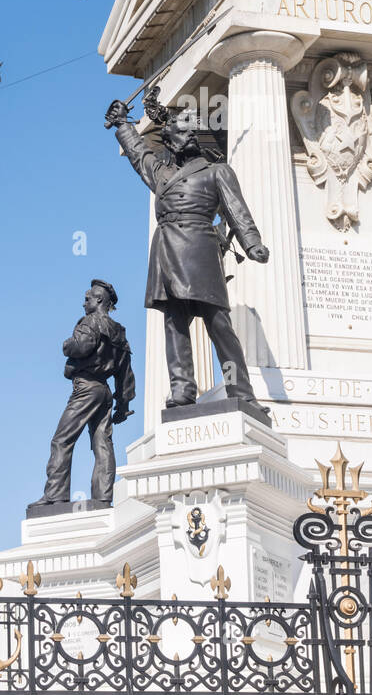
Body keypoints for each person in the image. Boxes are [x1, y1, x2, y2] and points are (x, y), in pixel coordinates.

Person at [104, 98, 268, 410]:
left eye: (193, 131)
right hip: (167, 252)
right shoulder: (161, 174)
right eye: (183, 131)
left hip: (201, 251)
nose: (190, 136)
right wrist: (123, 124)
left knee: (219, 325)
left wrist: (251, 242)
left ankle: (241, 392)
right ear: (170, 140)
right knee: (174, 324)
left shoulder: (217, 171)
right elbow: (139, 155)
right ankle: (182, 390)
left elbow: (237, 211)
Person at [29, 279, 135, 511]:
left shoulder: (90, 322)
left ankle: (55, 496)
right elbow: (125, 373)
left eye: (87, 298)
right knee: (102, 443)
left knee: (62, 440)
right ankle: (103, 498)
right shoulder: (119, 333)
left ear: (99, 300)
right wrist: (122, 404)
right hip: (105, 392)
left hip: (86, 388)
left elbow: (81, 346)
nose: (84, 302)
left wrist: (67, 344)